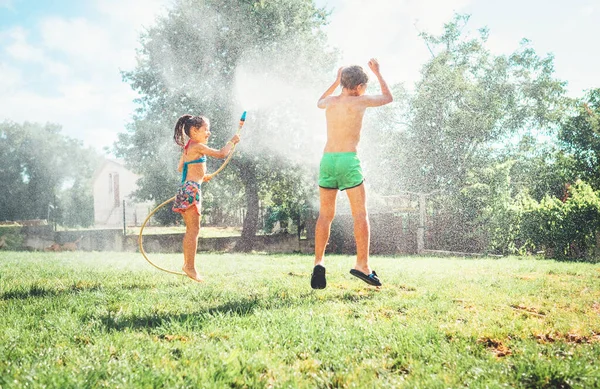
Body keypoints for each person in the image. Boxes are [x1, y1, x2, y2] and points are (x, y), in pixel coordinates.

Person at [311, 59, 393, 289]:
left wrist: (335, 81)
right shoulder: (361, 101)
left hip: (327, 160)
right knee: (360, 214)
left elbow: (318, 102)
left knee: (325, 215)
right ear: (358, 87)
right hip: (348, 159)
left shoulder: (330, 102)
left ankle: (319, 262)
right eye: (364, 86)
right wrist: (378, 72)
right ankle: (362, 265)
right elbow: (388, 98)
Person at [172, 114, 240, 282]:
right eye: (206, 129)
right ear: (194, 131)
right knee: (193, 231)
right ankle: (190, 267)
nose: (209, 133)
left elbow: (181, 167)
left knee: (191, 230)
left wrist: (201, 176)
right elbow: (222, 153)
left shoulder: (188, 147)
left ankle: (188, 265)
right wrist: (232, 141)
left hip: (186, 188)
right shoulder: (198, 145)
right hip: (192, 190)